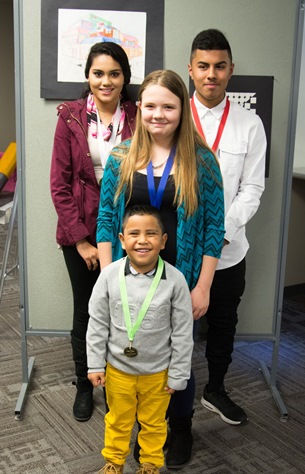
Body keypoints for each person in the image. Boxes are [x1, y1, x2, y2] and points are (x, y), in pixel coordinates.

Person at [96, 69, 225, 469]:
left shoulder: (201, 161)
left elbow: (213, 227)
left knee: (177, 356)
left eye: (168, 106)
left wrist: (202, 286)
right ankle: (139, 428)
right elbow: (104, 220)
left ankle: (180, 426)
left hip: (179, 278)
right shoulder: (120, 157)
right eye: (150, 105)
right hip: (129, 278)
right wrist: (108, 278)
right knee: (130, 356)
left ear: (181, 109)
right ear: (140, 108)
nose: (158, 114)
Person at [50, 41, 137, 423]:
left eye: (114, 73)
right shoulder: (70, 116)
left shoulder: (137, 114)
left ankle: (121, 385)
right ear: (88, 76)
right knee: (86, 310)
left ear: (124, 78)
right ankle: (85, 385)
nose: (106, 81)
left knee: (127, 311)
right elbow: (60, 185)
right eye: (98, 73)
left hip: (128, 233)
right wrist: (83, 240)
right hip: (81, 233)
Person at [188, 29, 266, 426]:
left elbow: (253, 188)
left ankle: (215, 389)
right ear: (191, 69)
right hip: (179, 252)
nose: (211, 74)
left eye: (219, 66)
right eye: (203, 66)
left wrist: (221, 232)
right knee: (173, 330)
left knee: (223, 324)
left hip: (229, 250)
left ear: (231, 70)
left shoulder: (250, 124)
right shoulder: (173, 115)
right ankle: (173, 406)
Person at [87, 204, 194, 474]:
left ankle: (150, 464)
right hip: (119, 371)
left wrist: (178, 374)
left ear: (163, 241)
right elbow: (97, 323)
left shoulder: (175, 279)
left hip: (158, 373)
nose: (142, 240)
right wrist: (94, 365)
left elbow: (182, 332)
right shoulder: (109, 276)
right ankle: (114, 462)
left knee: (155, 423)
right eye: (134, 233)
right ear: (122, 241)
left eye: (151, 233)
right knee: (117, 421)